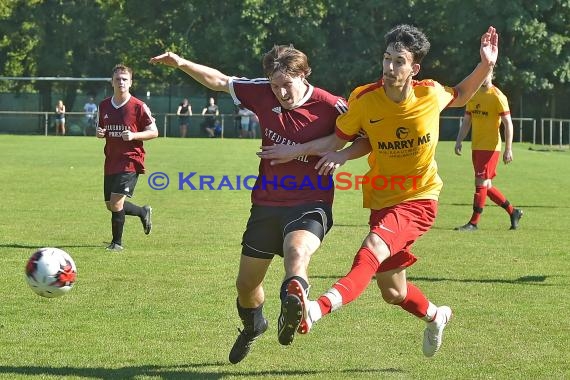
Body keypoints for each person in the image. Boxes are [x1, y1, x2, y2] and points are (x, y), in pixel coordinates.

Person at [257, 25, 499, 358]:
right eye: (386, 59)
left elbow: (459, 93)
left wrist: (485, 65)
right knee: (393, 291)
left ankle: (316, 310)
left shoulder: (429, 94)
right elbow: (345, 138)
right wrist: (331, 153)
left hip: (420, 198)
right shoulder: (364, 99)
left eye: (399, 61)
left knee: (369, 252)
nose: (389, 68)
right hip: (382, 199)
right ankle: (436, 315)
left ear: (413, 69)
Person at [150, 45, 349, 364]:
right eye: (275, 85)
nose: (281, 92)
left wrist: (304, 150)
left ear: (304, 74)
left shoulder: (332, 105)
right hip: (266, 204)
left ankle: (294, 305)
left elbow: (363, 136)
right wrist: (181, 62)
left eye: (287, 84)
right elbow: (219, 81)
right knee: (246, 286)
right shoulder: (262, 92)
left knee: (297, 253)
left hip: (311, 201)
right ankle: (254, 324)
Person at [96, 64, 158, 251]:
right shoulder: (104, 105)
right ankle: (142, 212)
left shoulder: (138, 106)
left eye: (125, 79)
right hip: (111, 160)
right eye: (118, 79)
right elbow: (103, 128)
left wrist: (134, 135)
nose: (121, 82)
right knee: (111, 205)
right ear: (111, 82)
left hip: (131, 160)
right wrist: (100, 133)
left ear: (130, 82)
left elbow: (154, 131)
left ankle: (117, 243)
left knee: (116, 203)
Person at [454, 69, 523, 231]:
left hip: (490, 148)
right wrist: (459, 140)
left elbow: (508, 124)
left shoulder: (498, 96)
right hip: (476, 146)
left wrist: (509, 149)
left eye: (487, 74)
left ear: (492, 75)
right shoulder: (474, 95)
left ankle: (473, 223)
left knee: (480, 183)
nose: (484, 77)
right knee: (487, 185)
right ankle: (514, 212)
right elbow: (466, 121)